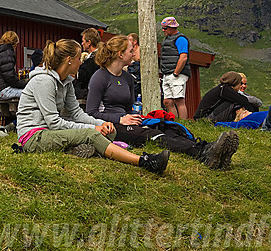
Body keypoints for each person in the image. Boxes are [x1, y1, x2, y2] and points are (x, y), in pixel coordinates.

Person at [14, 38, 169, 173]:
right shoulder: (44, 81)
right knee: (92, 134)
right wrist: (92, 129)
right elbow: (53, 122)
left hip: (49, 131)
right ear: (69, 59)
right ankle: (145, 161)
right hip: (34, 136)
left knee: (110, 132)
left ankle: (79, 148)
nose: (81, 62)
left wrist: (103, 124)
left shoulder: (66, 81)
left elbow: (77, 113)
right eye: (78, 58)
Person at [85, 36, 239, 169]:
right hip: (111, 125)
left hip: (129, 121)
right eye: (131, 50)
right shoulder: (100, 77)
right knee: (154, 134)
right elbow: (91, 112)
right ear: (120, 54)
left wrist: (134, 117)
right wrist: (120, 119)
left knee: (169, 128)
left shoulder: (127, 79)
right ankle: (202, 152)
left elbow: (128, 108)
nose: (134, 53)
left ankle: (211, 151)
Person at [194, 72, 260, 123]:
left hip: (204, 117)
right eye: (240, 83)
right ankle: (251, 120)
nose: (240, 86)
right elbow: (243, 101)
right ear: (235, 83)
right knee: (235, 102)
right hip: (204, 119)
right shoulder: (225, 90)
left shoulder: (222, 89)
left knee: (239, 101)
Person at [159, 17, 190, 119]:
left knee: (179, 100)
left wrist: (176, 72)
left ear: (172, 27)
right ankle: (175, 122)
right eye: (163, 28)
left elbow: (183, 57)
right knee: (167, 101)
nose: (163, 30)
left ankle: (184, 124)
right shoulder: (167, 39)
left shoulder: (180, 39)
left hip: (177, 74)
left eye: (165, 28)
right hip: (167, 73)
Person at [0, 31, 27, 102]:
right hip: (5, 90)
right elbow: (9, 77)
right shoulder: (7, 52)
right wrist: (24, 84)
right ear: (15, 43)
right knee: (30, 94)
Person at [73, 28, 101, 101]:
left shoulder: (94, 60)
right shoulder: (100, 56)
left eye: (83, 41)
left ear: (89, 42)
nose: (82, 43)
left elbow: (83, 76)